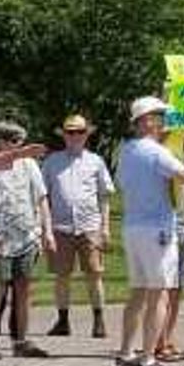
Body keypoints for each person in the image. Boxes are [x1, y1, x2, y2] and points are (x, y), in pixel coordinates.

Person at [113, 100, 184, 366]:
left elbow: (122, 183)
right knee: (159, 296)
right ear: (146, 121)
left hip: (133, 226)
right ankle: (147, 358)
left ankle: (125, 352)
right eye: (158, 117)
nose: (163, 122)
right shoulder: (156, 152)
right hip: (157, 228)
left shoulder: (126, 150)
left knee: (137, 293)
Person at [0, 121, 51, 358]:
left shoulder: (29, 165)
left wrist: (47, 231)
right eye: (14, 141)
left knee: (24, 288)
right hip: (0, 240)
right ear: (1, 141)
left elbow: (41, 199)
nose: (20, 145)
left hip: (27, 236)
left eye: (21, 141)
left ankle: (21, 340)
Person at [40, 114, 114, 342]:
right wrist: (46, 229)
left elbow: (104, 197)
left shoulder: (96, 161)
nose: (75, 137)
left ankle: (99, 320)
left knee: (94, 274)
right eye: (70, 133)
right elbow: (42, 197)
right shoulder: (52, 162)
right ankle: (62, 321)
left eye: (79, 132)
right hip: (61, 227)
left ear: (86, 135)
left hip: (90, 226)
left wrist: (106, 228)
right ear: (64, 136)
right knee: (62, 276)